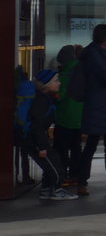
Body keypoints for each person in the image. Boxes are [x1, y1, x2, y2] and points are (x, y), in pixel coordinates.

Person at [78, 23, 106, 196]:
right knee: (99, 146)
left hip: (102, 105)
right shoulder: (97, 55)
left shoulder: (98, 53)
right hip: (101, 105)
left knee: (97, 145)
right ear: (104, 37)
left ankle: (87, 182)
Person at [27, 70, 78, 201]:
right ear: (46, 84)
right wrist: (42, 147)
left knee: (51, 162)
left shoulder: (46, 98)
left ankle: (46, 190)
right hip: (35, 140)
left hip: (35, 138)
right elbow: (37, 125)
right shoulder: (42, 100)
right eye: (56, 81)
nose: (59, 83)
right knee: (55, 164)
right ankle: (57, 190)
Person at [52, 45, 86, 192]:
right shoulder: (82, 71)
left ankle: (62, 175)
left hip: (65, 118)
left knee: (62, 149)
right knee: (76, 148)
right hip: (79, 117)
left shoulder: (65, 75)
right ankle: (75, 175)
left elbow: (60, 96)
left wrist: (53, 95)